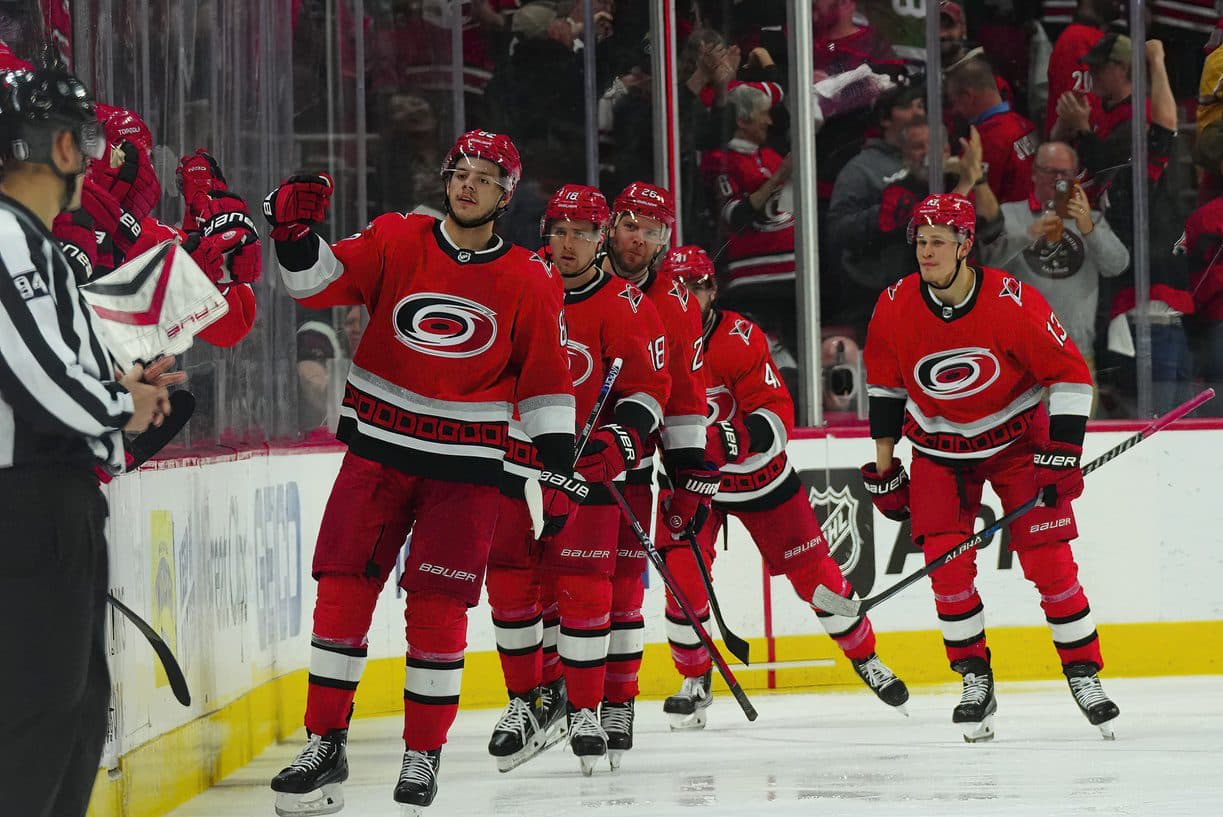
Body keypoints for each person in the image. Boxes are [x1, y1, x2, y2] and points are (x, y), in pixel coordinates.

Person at [265, 129, 577, 816]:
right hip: (377, 452)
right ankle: (325, 744)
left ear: (506, 194)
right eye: (460, 171)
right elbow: (315, 282)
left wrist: (558, 461)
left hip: (465, 470)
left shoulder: (529, 276)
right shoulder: (396, 237)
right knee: (341, 596)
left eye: (485, 177)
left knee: (437, 612)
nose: (468, 184)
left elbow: (545, 379)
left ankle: (423, 753)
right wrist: (292, 235)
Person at [862, 193, 1120, 743]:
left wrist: (1064, 451)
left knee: (1050, 561)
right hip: (937, 450)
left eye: (938, 241)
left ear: (964, 246)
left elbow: (1071, 375)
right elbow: (884, 390)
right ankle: (974, 678)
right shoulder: (894, 305)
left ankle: (1083, 672)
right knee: (947, 569)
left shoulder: (1011, 300)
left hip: (1018, 441)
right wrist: (884, 469)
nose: (926, 252)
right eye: (920, 241)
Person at [0, 64, 172, 817]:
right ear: (62, 147)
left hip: (54, 502)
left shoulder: (30, 241)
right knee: (40, 710)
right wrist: (119, 402)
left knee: (73, 710)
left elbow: (58, 366)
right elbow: (34, 375)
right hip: (26, 504)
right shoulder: (7, 235)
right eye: (87, 142)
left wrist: (122, 383)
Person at [662, 245, 910, 729]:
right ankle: (694, 679)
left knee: (820, 582)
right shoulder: (650, 339)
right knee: (681, 580)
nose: (686, 299)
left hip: (760, 480)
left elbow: (777, 415)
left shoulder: (738, 338)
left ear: (712, 291)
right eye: (676, 290)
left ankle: (866, 656)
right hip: (694, 484)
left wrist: (729, 440)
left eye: (695, 288)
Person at [485, 183, 670, 775]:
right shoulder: (515, 282)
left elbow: (648, 390)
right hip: (514, 461)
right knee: (512, 584)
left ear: (601, 238)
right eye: (559, 231)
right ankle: (527, 702)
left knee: (587, 587)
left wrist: (619, 441)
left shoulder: (626, 305)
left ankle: (587, 708)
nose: (568, 244)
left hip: (585, 468)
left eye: (583, 234)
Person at [597, 181, 715, 769]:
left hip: (631, 462)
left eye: (652, 229)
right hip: (552, 454)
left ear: (666, 238)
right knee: (547, 583)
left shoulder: (676, 301)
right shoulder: (564, 270)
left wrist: (688, 472)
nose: (638, 238)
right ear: (610, 225)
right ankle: (552, 693)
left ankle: (618, 701)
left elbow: (687, 395)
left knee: (623, 586)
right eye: (629, 224)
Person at [978, 141, 1129, 382]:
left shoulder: (1091, 219)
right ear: (1034, 174)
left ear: (1075, 177)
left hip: (1075, 353)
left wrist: (1088, 228)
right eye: (1050, 171)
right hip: (1017, 355)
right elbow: (986, 268)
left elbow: (1117, 265)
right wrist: (1027, 235)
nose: (1058, 179)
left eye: (1065, 173)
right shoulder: (1009, 215)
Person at [945, 57, 1039, 203]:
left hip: (1007, 215)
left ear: (968, 97)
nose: (954, 110)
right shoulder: (1025, 125)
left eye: (954, 102)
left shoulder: (981, 143)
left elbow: (973, 204)